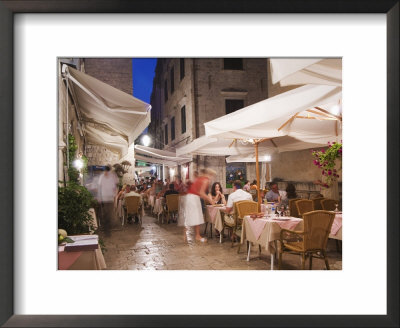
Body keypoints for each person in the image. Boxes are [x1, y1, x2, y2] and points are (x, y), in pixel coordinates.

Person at [178, 168, 216, 242]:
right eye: (213, 176)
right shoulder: (206, 180)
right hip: (193, 198)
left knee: (192, 215)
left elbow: (199, 192)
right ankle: (197, 236)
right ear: (210, 175)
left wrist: (207, 198)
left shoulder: (200, 178)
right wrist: (210, 200)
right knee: (197, 216)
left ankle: (186, 233)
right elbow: (202, 192)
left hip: (190, 197)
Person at [98, 165, 119, 236]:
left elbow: (115, 186)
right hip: (104, 198)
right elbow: (100, 187)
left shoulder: (113, 176)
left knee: (108, 214)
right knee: (105, 214)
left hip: (110, 198)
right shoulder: (102, 177)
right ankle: (106, 229)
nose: (106, 172)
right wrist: (99, 197)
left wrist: (114, 194)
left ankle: (107, 229)